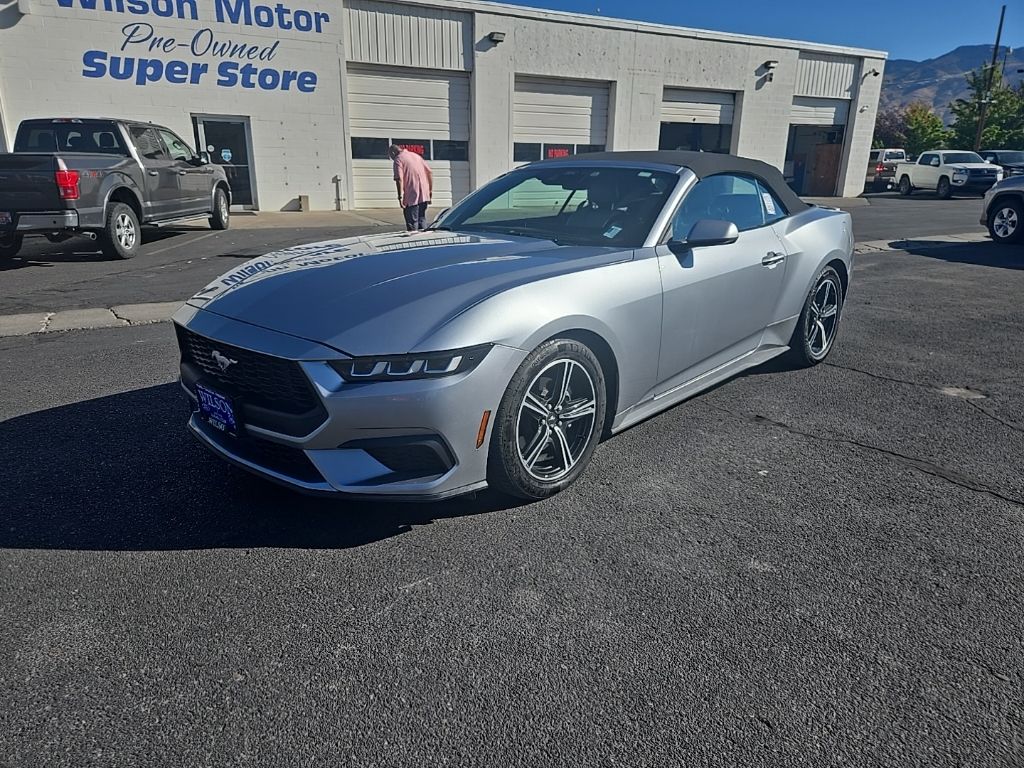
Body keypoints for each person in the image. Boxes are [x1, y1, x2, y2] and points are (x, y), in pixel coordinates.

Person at [389, 144, 433, 231]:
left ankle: (414, 240)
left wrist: (400, 197)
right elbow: (429, 172)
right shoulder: (416, 156)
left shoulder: (398, 159)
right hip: (424, 194)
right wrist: (430, 191)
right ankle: (424, 239)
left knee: (412, 222)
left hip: (411, 196)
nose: (392, 158)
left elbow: (399, 179)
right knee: (422, 218)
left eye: (391, 156)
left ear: (394, 152)